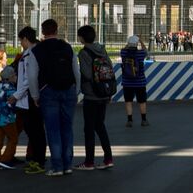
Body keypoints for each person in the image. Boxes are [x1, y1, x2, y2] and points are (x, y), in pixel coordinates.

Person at [27, 18, 80, 177]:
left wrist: (35, 95)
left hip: (48, 91)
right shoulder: (67, 47)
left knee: (53, 129)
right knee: (67, 128)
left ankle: (57, 167)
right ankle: (68, 165)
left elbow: (32, 76)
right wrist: (76, 91)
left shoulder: (36, 50)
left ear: (43, 32)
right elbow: (76, 71)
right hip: (68, 90)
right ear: (57, 30)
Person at [76, 25, 115, 170]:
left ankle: (89, 162)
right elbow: (109, 69)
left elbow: (86, 74)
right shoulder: (102, 50)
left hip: (91, 95)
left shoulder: (84, 53)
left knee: (89, 129)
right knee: (100, 126)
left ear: (81, 38)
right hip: (104, 94)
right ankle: (108, 158)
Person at [12, 26, 46, 174]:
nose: (21, 43)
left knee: (35, 130)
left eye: (21, 40)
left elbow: (28, 79)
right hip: (31, 97)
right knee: (33, 130)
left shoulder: (30, 54)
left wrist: (16, 95)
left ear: (26, 39)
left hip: (31, 98)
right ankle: (36, 159)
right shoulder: (33, 52)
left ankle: (39, 160)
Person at [0, 61, 21, 170]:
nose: (16, 77)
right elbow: (12, 104)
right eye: (15, 75)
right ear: (10, 77)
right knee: (13, 139)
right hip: (7, 119)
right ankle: (6, 160)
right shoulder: (11, 89)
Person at [120, 34, 149, 126]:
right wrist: (140, 40)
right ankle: (143, 120)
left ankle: (129, 120)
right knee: (142, 101)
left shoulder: (123, 53)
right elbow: (145, 50)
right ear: (136, 44)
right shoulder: (140, 54)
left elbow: (125, 48)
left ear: (129, 43)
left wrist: (128, 44)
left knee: (128, 101)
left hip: (127, 82)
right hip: (140, 82)